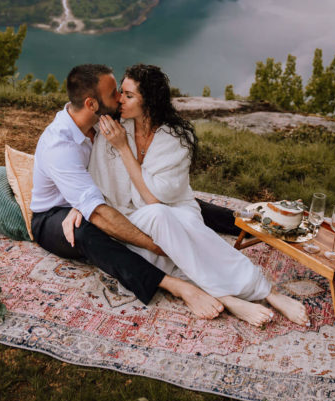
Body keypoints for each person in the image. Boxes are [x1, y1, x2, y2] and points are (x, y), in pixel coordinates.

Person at [87, 63, 310, 328]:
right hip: (132, 218)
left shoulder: (175, 139)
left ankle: (244, 295)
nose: (119, 100)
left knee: (183, 234)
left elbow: (157, 198)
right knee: (164, 222)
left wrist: (124, 149)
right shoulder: (114, 131)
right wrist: (122, 147)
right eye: (121, 92)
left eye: (128, 95)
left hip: (176, 208)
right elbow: (119, 194)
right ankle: (258, 292)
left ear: (149, 102)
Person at [30, 63, 225, 318]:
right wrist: (157, 246)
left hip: (86, 198)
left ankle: (242, 221)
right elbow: (98, 213)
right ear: (91, 104)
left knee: (173, 201)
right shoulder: (60, 147)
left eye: (122, 92)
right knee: (88, 231)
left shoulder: (101, 121)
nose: (120, 98)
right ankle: (172, 285)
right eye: (114, 93)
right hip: (52, 215)